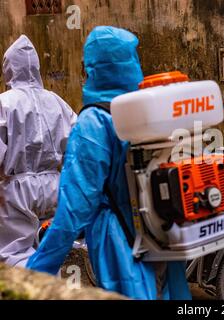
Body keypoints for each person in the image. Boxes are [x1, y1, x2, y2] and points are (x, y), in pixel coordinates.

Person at [27, 26, 192, 300]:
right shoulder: (148, 110)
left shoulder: (93, 123)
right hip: (162, 232)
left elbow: (75, 209)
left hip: (120, 240)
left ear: (93, 68)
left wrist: (36, 272)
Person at [0, 35, 77, 268]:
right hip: (54, 187)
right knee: (47, 251)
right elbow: (76, 143)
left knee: (13, 253)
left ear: (9, 68)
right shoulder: (57, 102)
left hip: (16, 190)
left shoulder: (5, 104)